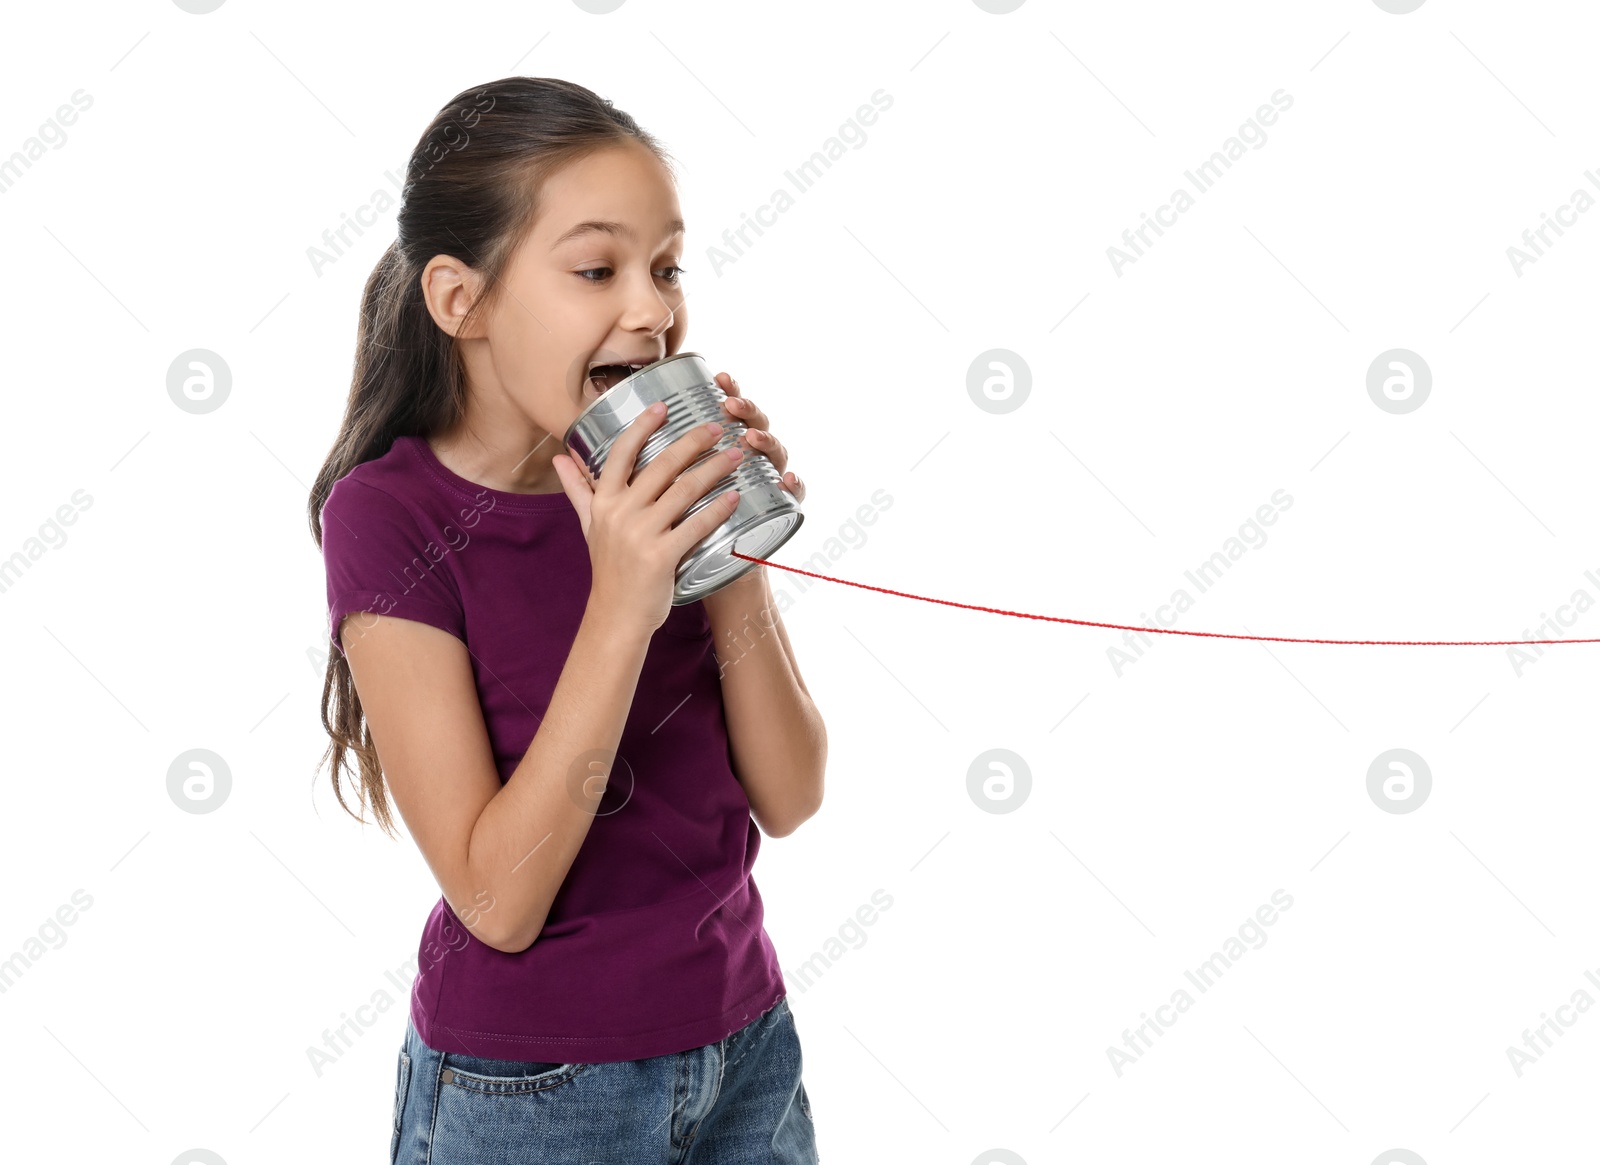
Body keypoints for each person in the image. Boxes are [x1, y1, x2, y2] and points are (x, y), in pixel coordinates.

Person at [305, 75, 825, 1163]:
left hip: (746, 1044)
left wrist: (727, 547)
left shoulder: (643, 505)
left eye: (666, 266)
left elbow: (790, 794)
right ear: (463, 301)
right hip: (534, 1089)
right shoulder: (391, 518)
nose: (651, 309)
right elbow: (497, 898)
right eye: (596, 269)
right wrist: (623, 603)